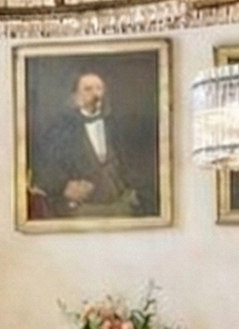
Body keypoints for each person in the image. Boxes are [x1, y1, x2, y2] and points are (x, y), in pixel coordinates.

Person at [26, 69, 160, 221]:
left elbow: (138, 162)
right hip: (80, 210)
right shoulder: (60, 130)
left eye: (99, 88)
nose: (95, 94)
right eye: (88, 89)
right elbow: (42, 167)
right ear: (75, 97)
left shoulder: (118, 125)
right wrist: (63, 187)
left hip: (122, 206)